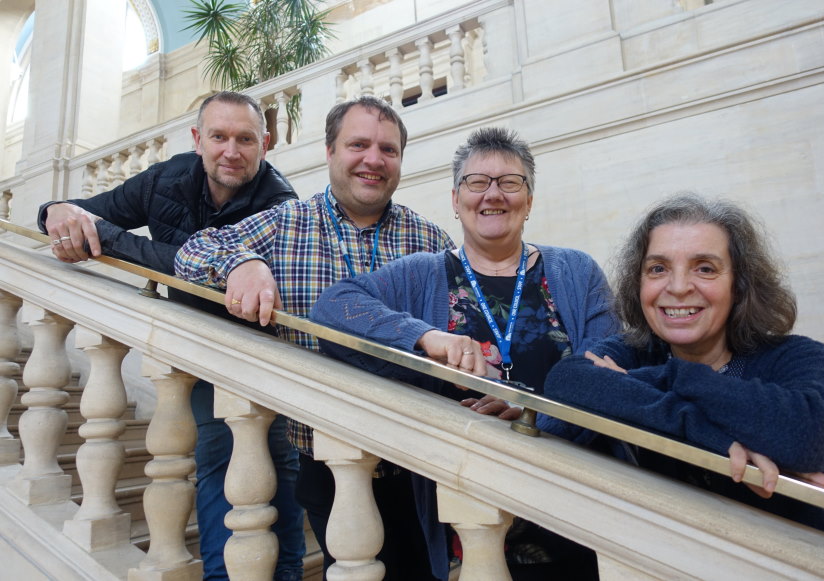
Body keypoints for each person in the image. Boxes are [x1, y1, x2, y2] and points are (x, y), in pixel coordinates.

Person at [309, 127, 620, 580]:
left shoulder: (576, 271)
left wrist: (533, 418)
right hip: (468, 518)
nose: (493, 194)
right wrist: (426, 337)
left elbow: (607, 376)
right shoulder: (422, 274)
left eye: (509, 182)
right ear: (456, 200)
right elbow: (331, 308)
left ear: (529, 200)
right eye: (477, 182)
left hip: (575, 514)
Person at [174, 95, 455, 581]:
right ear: (329, 152)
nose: (373, 159)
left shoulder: (430, 241)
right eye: (358, 145)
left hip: (414, 466)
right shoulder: (286, 225)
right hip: (324, 460)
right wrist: (242, 262)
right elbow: (194, 251)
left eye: (388, 149)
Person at [37, 91, 308, 580]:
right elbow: (86, 212)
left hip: (267, 355)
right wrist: (55, 208)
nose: (231, 150)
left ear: (264, 144)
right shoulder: (166, 178)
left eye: (245, 139)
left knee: (280, 473)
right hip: (200, 353)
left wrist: (113, 240)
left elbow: (194, 267)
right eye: (218, 136)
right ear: (197, 140)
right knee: (214, 463)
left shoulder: (280, 202)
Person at [542, 193, 824, 547]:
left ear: (740, 285)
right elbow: (568, 381)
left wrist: (668, 380)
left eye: (704, 268)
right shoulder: (635, 352)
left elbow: (807, 438)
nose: (679, 286)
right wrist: (708, 435)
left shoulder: (802, 358)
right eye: (658, 268)